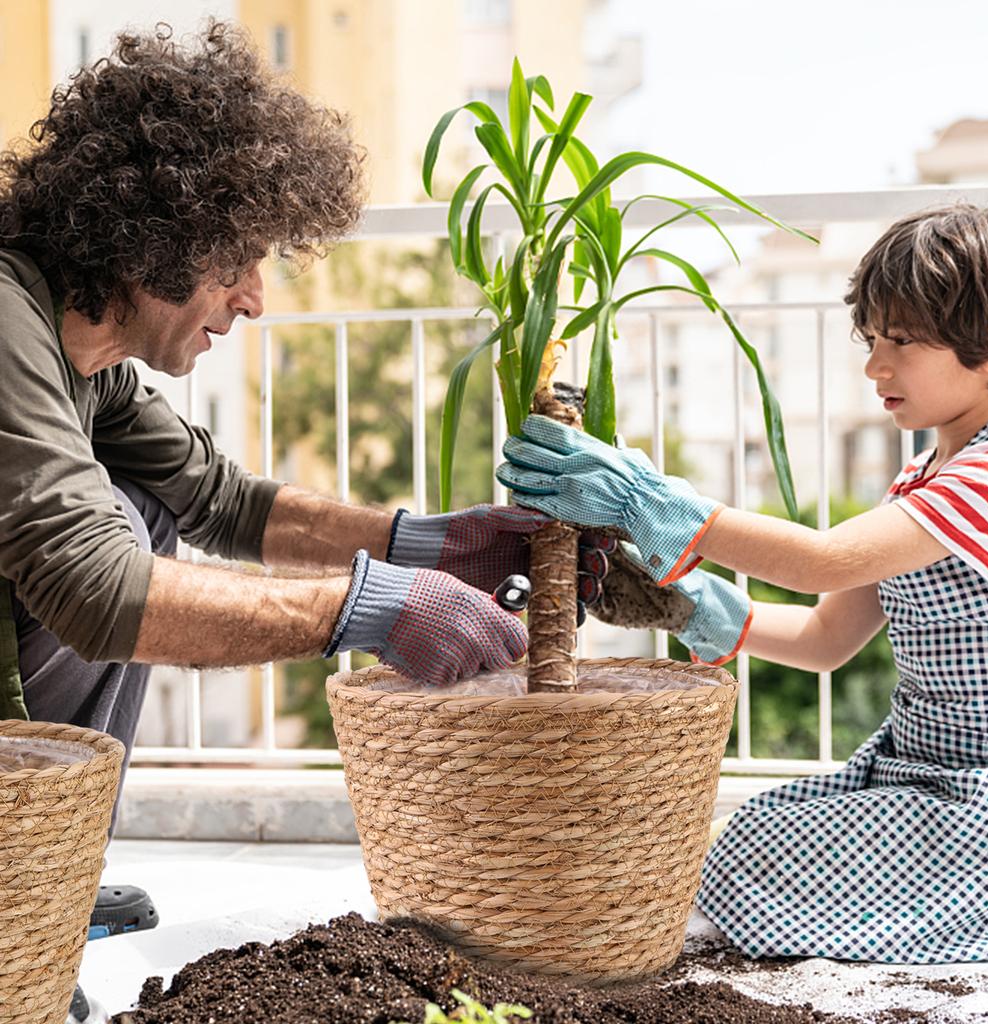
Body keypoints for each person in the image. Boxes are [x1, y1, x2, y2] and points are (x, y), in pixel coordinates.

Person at [0, 22, 606, 1021]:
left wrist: (432, 543)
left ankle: (41, 877)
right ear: (155, 236)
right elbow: (94, 587)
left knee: (145, 502)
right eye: (238, 260)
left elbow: (221, 499)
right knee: (114, 527)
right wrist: (374, 608)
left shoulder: (83, 352)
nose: (255, 299)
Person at [497, 203, 988, 965]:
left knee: (750, 857)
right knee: (746, 836)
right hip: (916, 773)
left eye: (902, 341)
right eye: (872, 339)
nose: (876, 366)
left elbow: (824, 560)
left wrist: (647, 499)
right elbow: (826, 639)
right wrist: (686, 606)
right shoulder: (925, 474)